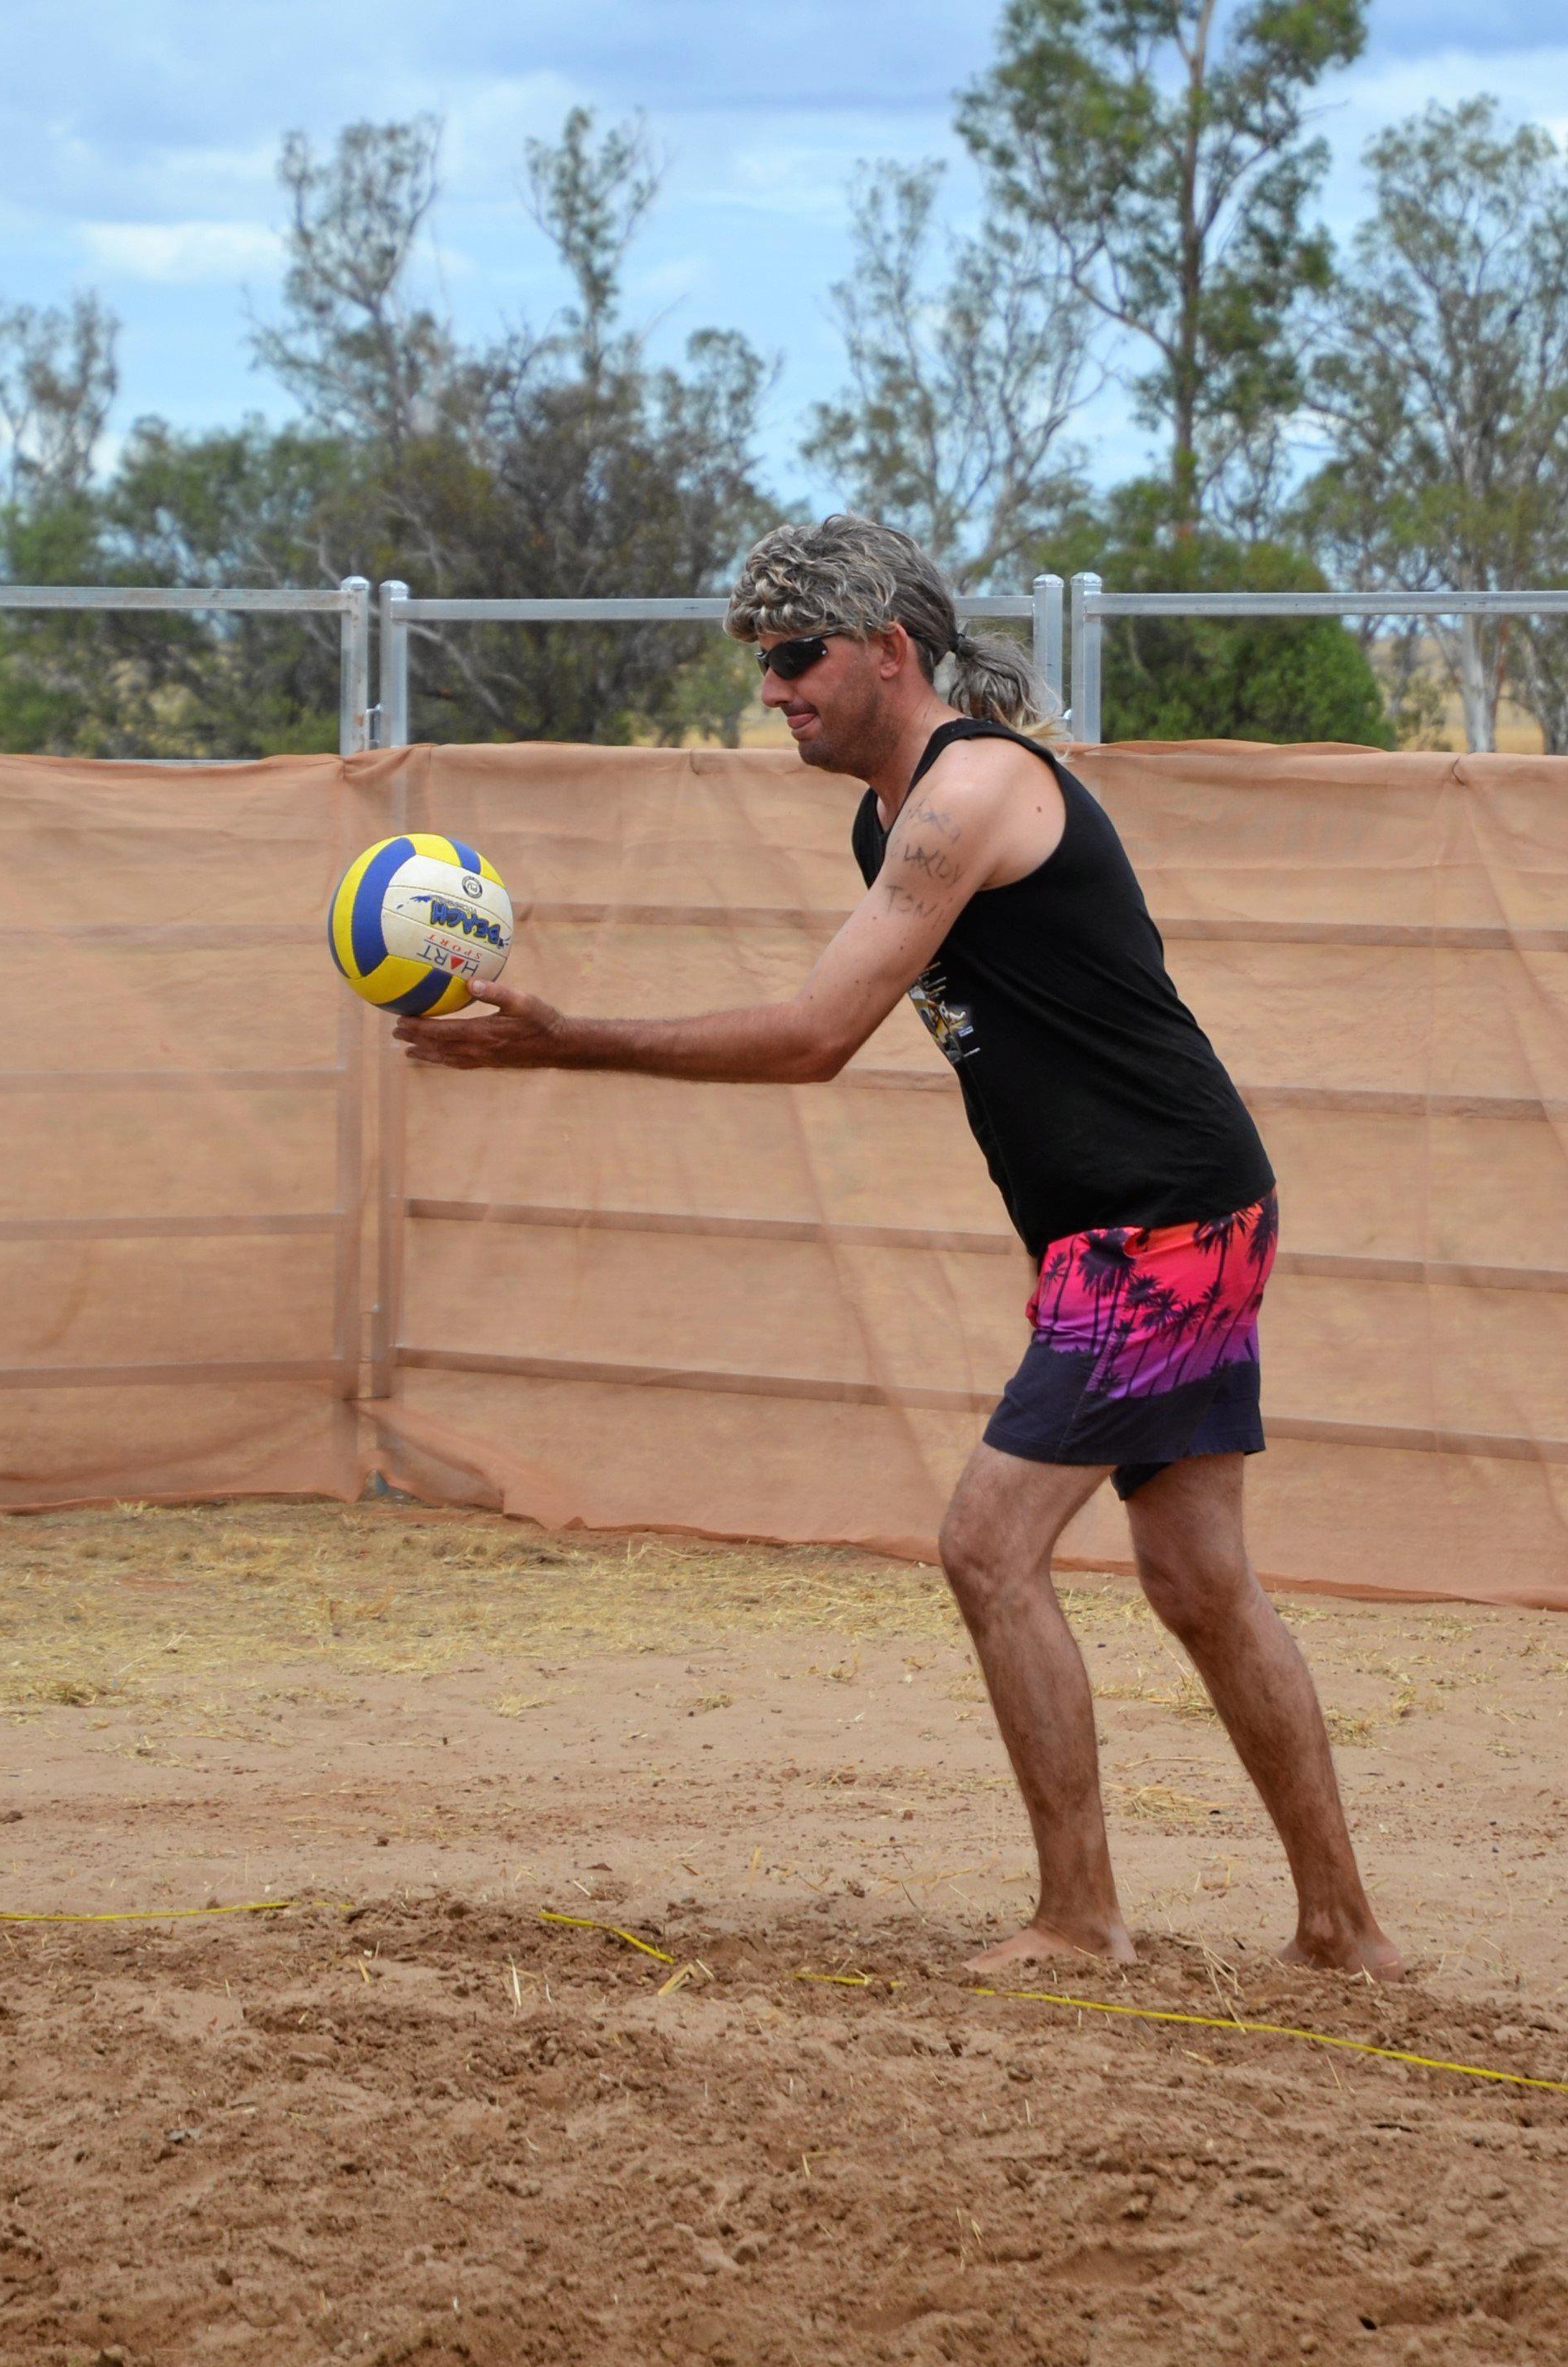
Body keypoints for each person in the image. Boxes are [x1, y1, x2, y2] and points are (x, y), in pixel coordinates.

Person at [394, 514, 1402, 1982]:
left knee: (988, 1546)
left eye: (797, 657)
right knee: (1199, 1581)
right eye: (761, 661)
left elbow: (813, 1036)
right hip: (1149, 1219)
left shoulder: (966, 794)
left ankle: (1081, 1917)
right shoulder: (892, 819)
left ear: (890, 651)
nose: (774, 689)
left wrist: (564, 1041)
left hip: (1159, 1227)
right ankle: (1342, 1929)